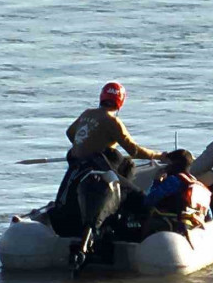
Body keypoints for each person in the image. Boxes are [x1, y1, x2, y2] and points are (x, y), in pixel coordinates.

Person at [49, 82, 163, 237]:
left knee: (119, 159)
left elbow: (70, 133)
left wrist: (85, 145)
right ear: (121, 101)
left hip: (77, 167)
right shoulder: (112, 121)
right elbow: (134, 151)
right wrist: (159, 155)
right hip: (95, 169)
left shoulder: (87, 113)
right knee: (134, 183)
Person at [143, 149, 213, 236]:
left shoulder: (173, 181)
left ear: (173, 165)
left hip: (171, 226)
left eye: (167, 164)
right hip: (194, 227)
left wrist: (156, 181)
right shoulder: (200, 186)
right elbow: (209, 215)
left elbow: (149, 200)